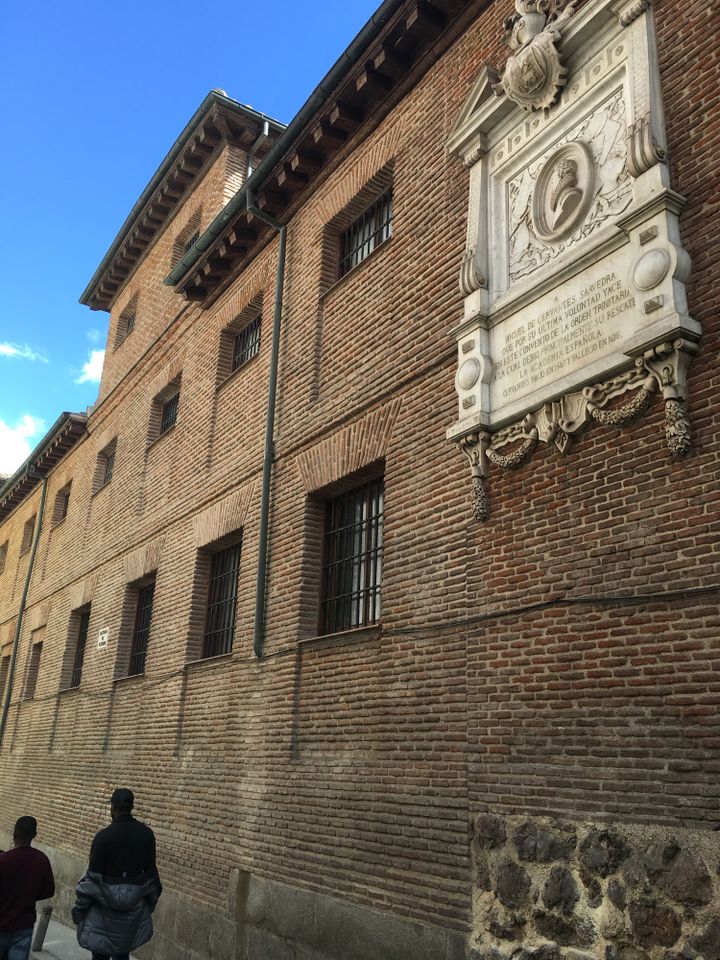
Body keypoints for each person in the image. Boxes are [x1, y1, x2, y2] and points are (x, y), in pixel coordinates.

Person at [72, 789, 161, 960]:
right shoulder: (146, 835)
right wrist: (146, 908)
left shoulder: (103, 837)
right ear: (131, 807)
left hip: (101, 918)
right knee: (122, 954)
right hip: (130, 917)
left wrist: (79, 912)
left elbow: (90, 882)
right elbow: (153, 880)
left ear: (113, 807)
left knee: (100, 955)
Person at [0, 815, 55, 960]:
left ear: (14, 834)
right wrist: (28, 894)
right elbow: (49, 890)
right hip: (23, 926)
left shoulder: (3, 860)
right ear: (34, 835)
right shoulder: (41, 859)